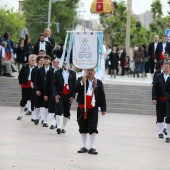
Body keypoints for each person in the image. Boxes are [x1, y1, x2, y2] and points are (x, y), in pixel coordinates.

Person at [74, 68, 106, 155]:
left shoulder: (98, 82)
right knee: (82, 126)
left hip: (93, 108)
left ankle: (91, 147)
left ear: (95, 72)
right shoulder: (81, 79)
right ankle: (84, 146)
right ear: (85, 71)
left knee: (93, 126)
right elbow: (75, 89)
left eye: (92, 70)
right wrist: (82, 83)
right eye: (88, 70)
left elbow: (102, 96)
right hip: (82, 108)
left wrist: (103, 109)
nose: (90, 72)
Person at [52, 60, 76, 134]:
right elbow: (53, 84)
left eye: (68, 63)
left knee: (66, 112)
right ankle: (58, 126)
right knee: (59, 109)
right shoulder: (57, 73)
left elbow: (75, 86)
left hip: (68, 95)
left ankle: (63, 127)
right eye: (65, 63)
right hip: (60, 94)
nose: (66, 65)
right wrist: (55, 94)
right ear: (62, 64)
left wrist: (73, 96)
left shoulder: (73, 73)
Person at [152, 62, 169, 138]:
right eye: (164, 66)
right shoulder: (158, 76)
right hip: (160, 99)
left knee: (168, 115)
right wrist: (154, 98)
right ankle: (160, 132)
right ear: (162, 67)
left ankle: (165, 129)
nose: (166, 68)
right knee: (160, 115)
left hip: (168, 100)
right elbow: (154, 88)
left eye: (167, 66)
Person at [34, 55, 52, 127]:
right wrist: (37, 89)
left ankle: (44, 119)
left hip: (48, 91)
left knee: (46, 106)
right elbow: (36, 81)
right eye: (44, 59)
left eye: (47, 59)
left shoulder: (52, 70)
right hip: (40, 90)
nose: (46, 60)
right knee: (40, 105)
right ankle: (39, 118)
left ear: (50, 61)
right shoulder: (39, 70)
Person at [17, 54, 36, 120]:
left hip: (33, 86)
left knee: (33, 100)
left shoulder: (36, 68)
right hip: (25, 85)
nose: (33, 61)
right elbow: (20, 76)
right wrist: (20, 83)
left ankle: (33, 116)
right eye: (32, 60)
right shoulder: (25, 67)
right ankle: (20, 114)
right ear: (29, 61)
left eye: (34, 60)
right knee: (23, 100)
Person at [44, 58, 60, 129]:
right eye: (57, 62)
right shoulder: (50, 72)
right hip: (51, 93)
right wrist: (45, 94)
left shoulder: (62, 72)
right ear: (54, 63)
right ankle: (53, 123)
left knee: (59, 108)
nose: (59, 64)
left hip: (59, 93)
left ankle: (58, 123)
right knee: (52, 108)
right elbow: (46, 83)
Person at [31, 55, 44, 122]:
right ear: (38, 61)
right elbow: (33, 79)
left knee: (43, 104)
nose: (42, 61)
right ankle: (36, 116)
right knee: (36, 102)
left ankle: (43, 117)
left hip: (43, 88)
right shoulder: (34, 69)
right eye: (41, 60)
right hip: (36, 88)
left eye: (43, 60)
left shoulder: (45, 69)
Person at [164, 65, 170, 142]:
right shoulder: (169, 79)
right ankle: (168, 136)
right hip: (169, 102)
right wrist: (168, 97)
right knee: (168, 119)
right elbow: (165, 89)